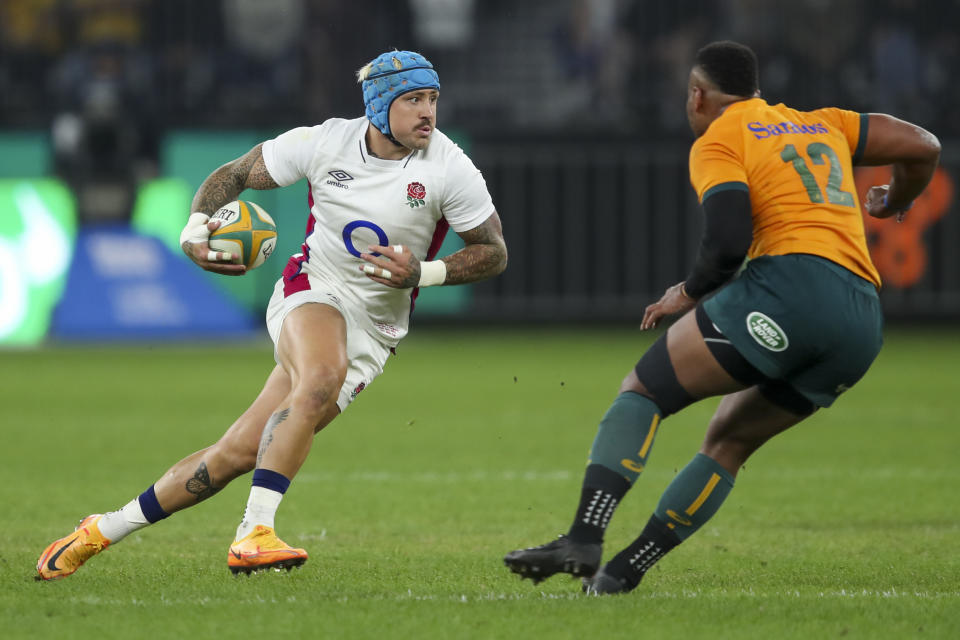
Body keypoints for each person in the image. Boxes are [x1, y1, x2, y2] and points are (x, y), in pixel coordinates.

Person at [36, 50, 507, 580]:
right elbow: (233, 174)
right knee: (319, 379)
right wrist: (194, 231)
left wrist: (423, 274)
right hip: (313, 290)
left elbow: (493, 251)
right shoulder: (325, 143)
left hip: (376, 332)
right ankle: (254, 534)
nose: (428, 112)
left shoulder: (449, 165)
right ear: (379, 105)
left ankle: (101, 530)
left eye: (433, 99)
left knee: (235, 454)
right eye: (413, 100)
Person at [504, 40, 940, 595]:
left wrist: (689, 292)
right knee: (728, 441)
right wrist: (895, 198)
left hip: (790, 289)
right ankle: (621, 574)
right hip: (860, 320)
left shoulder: (720, 138)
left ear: (698, 95)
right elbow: (923, 146)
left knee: (644, 391)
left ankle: (583, 539)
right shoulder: (822, 123)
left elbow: (729, 239)